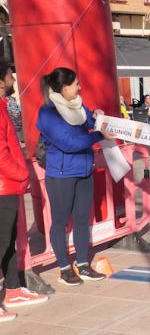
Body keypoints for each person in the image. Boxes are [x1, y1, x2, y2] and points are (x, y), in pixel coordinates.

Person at [36, 67, 114, 286]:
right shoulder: (48, 113)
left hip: (84, 171)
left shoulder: (78, 106)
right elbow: (69, 143)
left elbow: (89, 121)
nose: (79, 88)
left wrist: (96, 115)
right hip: (61, 175)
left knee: (81, 219)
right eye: (75, 84)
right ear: (63, 87)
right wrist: (98, 135)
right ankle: (64, 268)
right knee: (60, 221)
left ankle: (83, 264)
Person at [0, 61, 49, 320]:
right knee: (1, 242)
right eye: (10, 74)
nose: (13, 78)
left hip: (9, 185)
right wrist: (22, 174)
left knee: (9, 241)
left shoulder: (4, 105)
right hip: (4, 185)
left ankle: (13, 289)